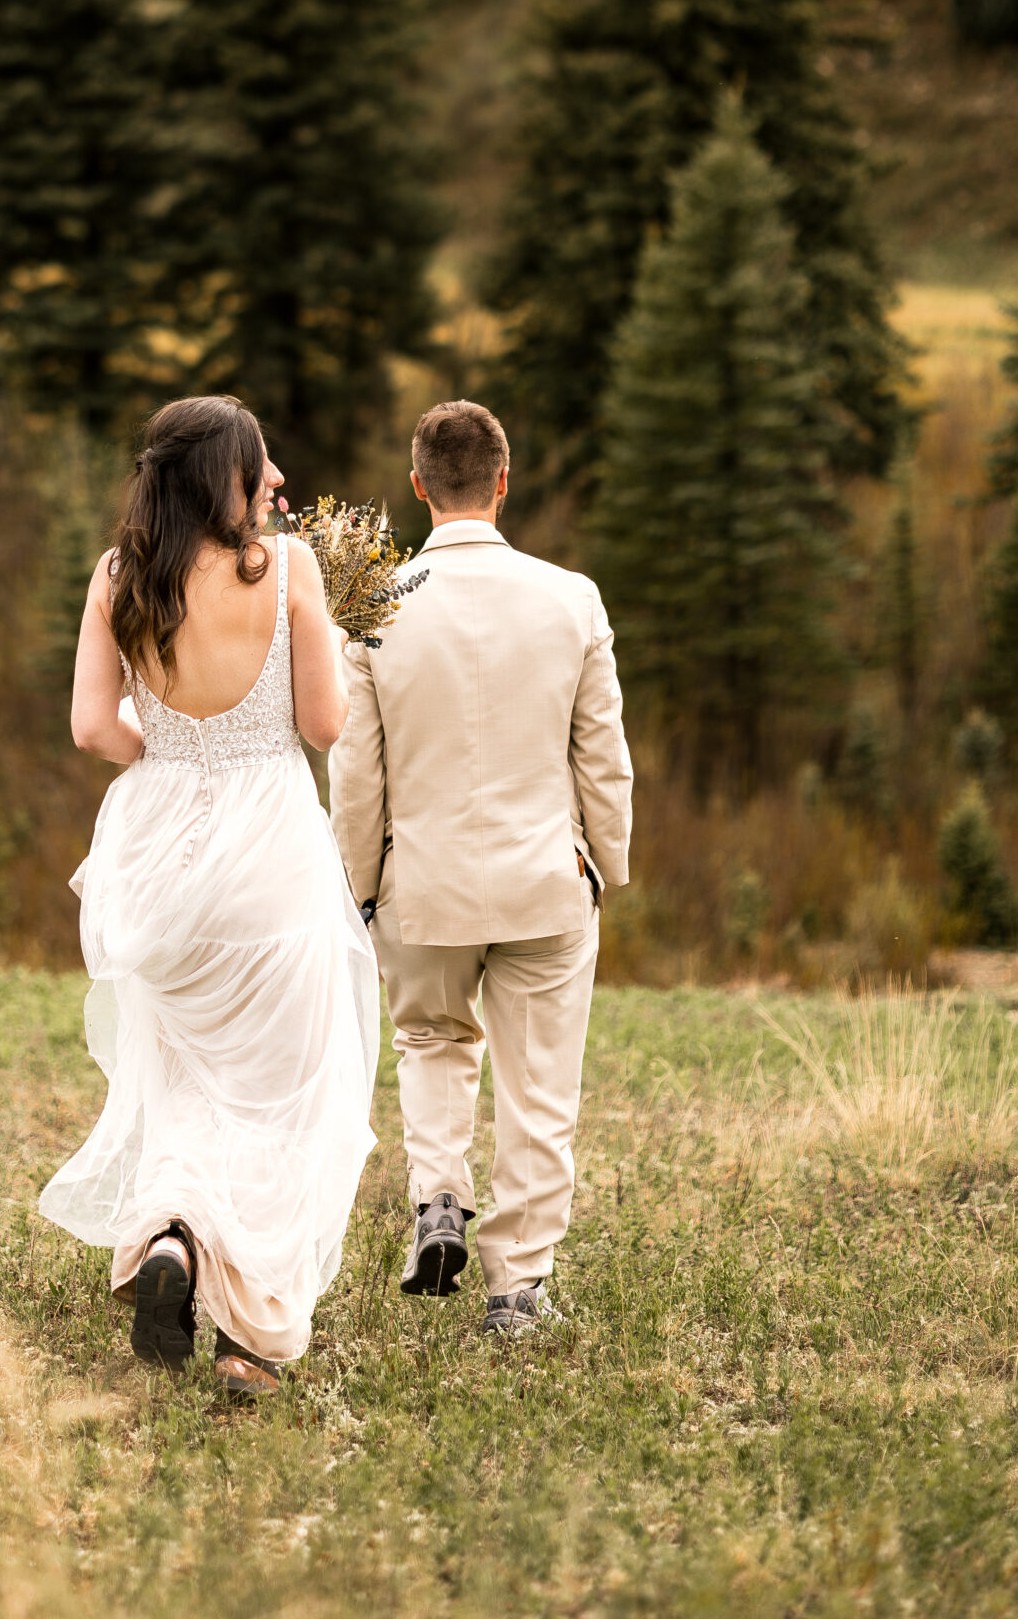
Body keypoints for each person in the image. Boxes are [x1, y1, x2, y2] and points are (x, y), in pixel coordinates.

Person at [39, 395, 379, 1399]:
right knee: (283, 1091)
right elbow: (322, 723)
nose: (276, 482)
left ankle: (176, 1245)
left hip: (159, 858)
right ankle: (251, 1339)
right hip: (268, 850)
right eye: (261, 467)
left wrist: (176, 753)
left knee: (187, 1077)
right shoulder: (288, 573)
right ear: (220, 476)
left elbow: (92, 728)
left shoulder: (119, 576)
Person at [328, 399, 633, 1337]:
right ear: (504, 481)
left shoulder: (374, 609)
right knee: (539, 1082)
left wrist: (361, 888)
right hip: (546, 879)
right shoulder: (570, 596)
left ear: (418, 486)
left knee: (430, 1041)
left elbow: (356, 771)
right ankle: (518, 1285)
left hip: (420, 885)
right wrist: (604, 865)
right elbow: (601, 753)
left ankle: (438, 1200)